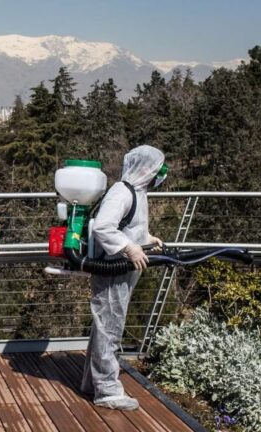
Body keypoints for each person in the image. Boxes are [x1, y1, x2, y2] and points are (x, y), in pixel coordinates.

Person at [81, 145, 168, 410]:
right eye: (156, 170)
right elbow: (105, 226)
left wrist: (146, 240)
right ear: (145, 168)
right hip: (113, 269)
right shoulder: (122, 191)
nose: (159, 176)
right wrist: (129, 247)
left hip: (125, 269)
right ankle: (107, 390)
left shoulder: (139, 193)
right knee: (110, 327)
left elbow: (131, 226)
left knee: (106, 326)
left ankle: (90, 382)